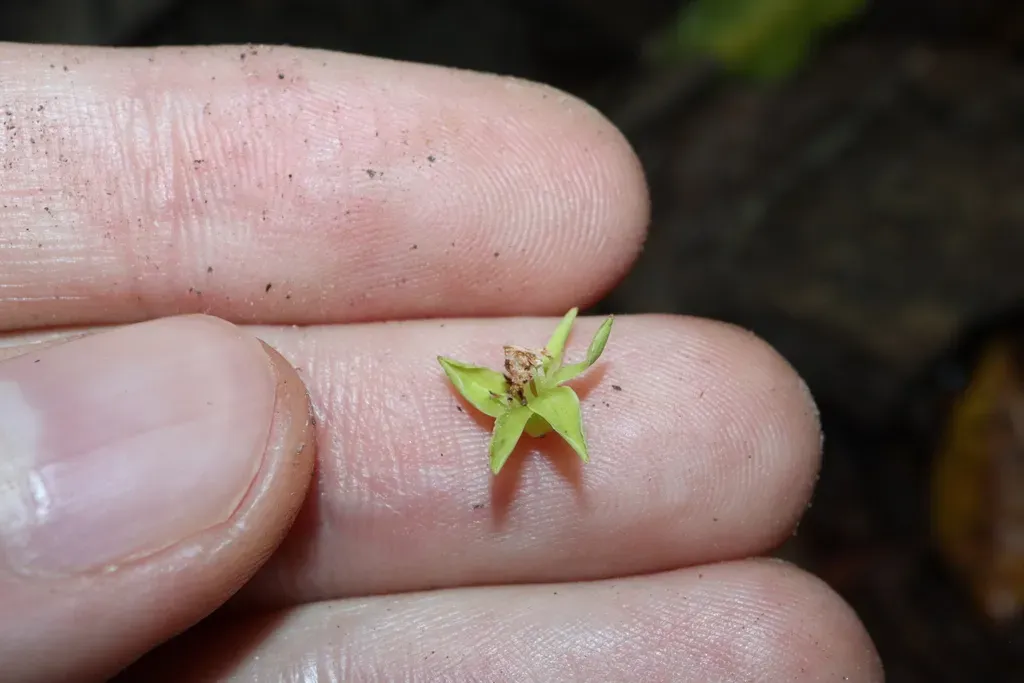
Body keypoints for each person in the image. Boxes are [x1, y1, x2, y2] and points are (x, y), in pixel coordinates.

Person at [0, 43, 883, 682]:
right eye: (519, 384)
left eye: (524, 382)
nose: (518, 381)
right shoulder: (511, 400)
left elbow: (568, 361)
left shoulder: (539, 400)